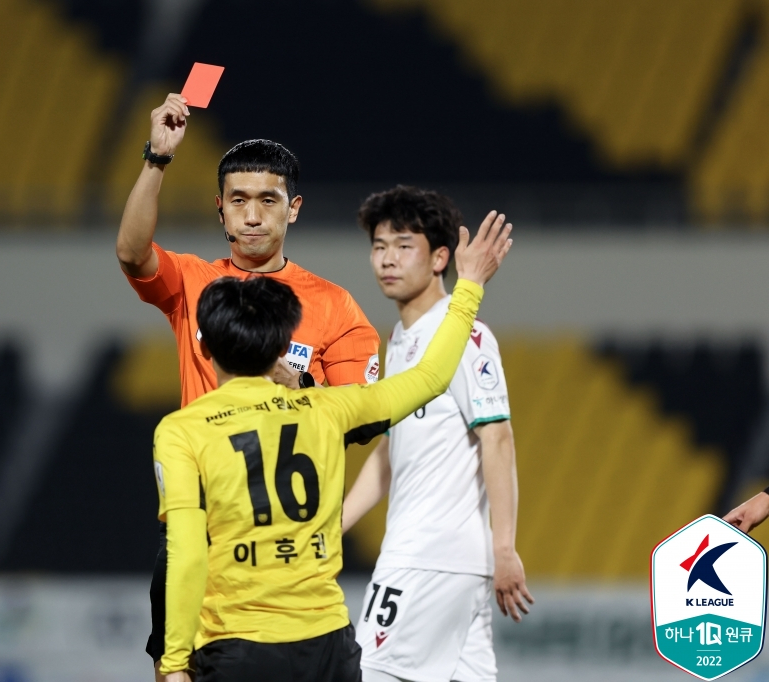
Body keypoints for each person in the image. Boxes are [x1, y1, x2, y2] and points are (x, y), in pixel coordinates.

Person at [155, 211, 512, 682]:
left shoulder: (182, 431)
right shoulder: (327, 408)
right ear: (280, 349)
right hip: (327, 646)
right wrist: (468, 288)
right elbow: (431, 377)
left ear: (205, 349)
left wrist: (174, 661)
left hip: (238, 646)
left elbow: (186, 553)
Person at [116, 93, 381, 677]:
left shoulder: (335, 307)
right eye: (238, 200)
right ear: (220, 210)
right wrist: (157, 158)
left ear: (294, 209)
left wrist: (298, 383)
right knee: (176, 669)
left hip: (284, 538)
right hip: (198, 527)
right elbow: (132, 254)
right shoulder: (194, 283)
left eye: (268, 200)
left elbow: (364, 419)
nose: (253, 215)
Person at [342, 187, 531, 682]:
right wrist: (335, 525)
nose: (388, 259)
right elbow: (391, 450)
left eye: (404, 246)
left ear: (440, 258)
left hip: (427, 555)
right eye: (379, 246)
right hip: (450, 562)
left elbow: (498, 437)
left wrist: (505, 547)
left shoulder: (463, 334)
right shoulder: (399, 340)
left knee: (369, 673)